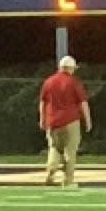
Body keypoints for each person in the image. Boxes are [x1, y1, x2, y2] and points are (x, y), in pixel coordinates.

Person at [39, 55, 92, 188]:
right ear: (71, 68)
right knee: (70, 151)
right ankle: (68, 180)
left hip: (52, 121)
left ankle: (51, 172)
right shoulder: (73, 82)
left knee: (54, 148)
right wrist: (88, 120)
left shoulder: (49, 81)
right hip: (70, 121)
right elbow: (83, 103)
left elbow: (42, 103)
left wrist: (42, 119)